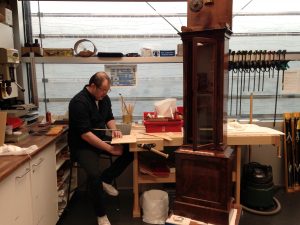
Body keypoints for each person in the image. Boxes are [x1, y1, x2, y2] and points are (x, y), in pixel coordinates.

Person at [68, 72, 133, 225]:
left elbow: (108, 117)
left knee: (130, 151)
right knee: (93, 174)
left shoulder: (103, 98)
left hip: (100, 137)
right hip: (82, 145)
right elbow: (85, 135)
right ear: (92, 86)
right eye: (103, 90)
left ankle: (107, 179)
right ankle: (101, 215)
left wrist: (114, 130)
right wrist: (110, 149)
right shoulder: (78, 102)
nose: (105, 93)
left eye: (107, 90)